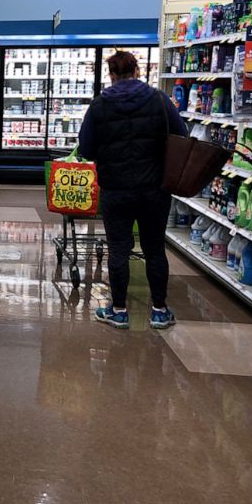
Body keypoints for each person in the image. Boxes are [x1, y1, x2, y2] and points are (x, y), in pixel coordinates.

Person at [78, 51, 188, 330]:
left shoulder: (99, 105)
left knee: (118, 249)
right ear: (137, 71)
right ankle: (160, 311)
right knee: (154, 249)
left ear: (111, 75)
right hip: (154, 189)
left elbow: (87, 149)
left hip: (116, 190)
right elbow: (181, 137)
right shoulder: (159, 100)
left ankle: (118, 311)